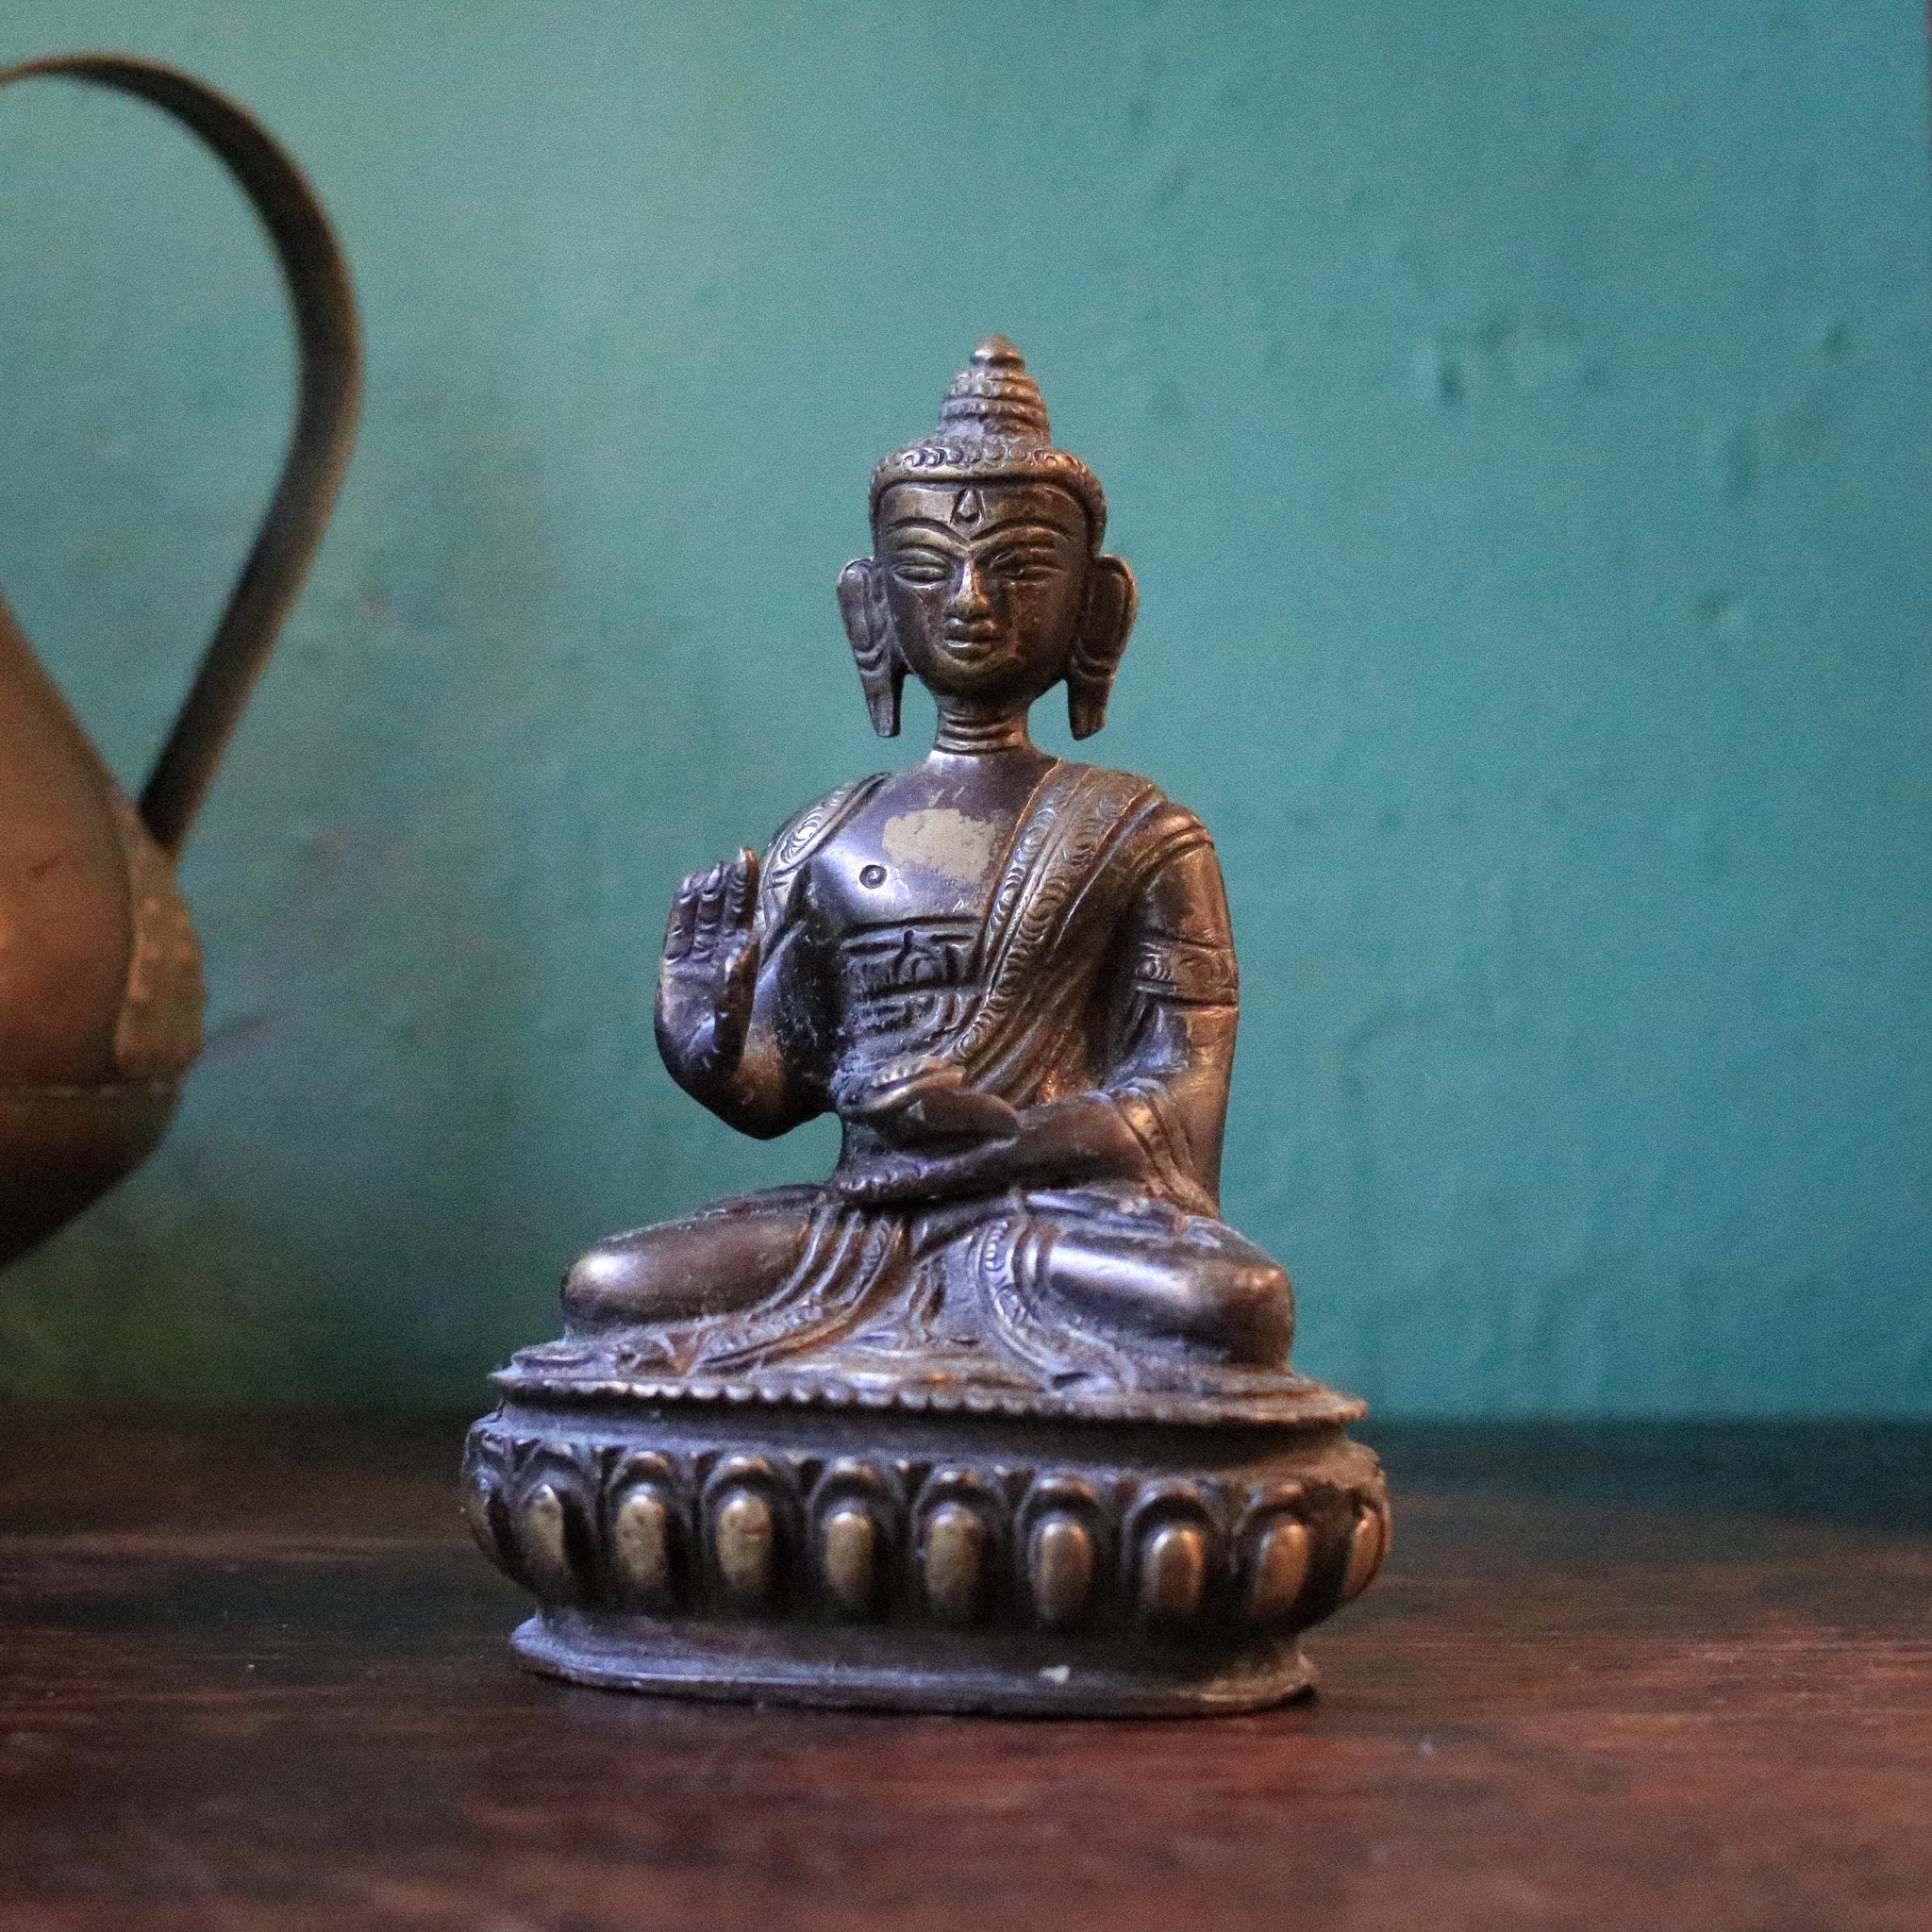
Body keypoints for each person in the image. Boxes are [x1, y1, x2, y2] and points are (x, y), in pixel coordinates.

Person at [558, 339, 1297, 1401]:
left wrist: (1004, 1142)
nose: (969, 599)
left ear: (1097, 610)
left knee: (1228, 1306)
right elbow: (782, 1087)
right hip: (860, 1223)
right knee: (609, 1284)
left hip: (1051, 1222)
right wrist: (707, 1046)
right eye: (924, 566)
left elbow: (1180, 1092)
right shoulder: (826, 834)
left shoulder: (1141, 833)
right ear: (869, 607)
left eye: (1019, 568)